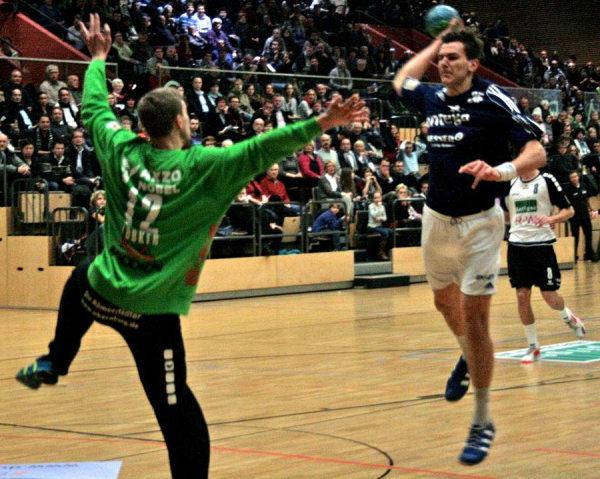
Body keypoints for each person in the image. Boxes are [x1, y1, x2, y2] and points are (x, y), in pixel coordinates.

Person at [14, 14, 368, 479]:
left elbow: (95, 108)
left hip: (101, 291)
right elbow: (265, 146)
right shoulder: (208, 166)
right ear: (181, 120)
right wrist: (323, 120)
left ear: (142, 125)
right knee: (178, 412)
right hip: (152, 313)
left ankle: (56, 359)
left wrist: (98, 58)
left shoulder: (119, 149)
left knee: (80, 277)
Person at [392, 23, 546, 465]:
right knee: (444, 304)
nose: (444, 64)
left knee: (476, 316)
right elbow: (401, 80)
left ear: (474, 64)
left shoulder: (492, 99)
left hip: (482, 223)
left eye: (453, 57)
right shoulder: (431, 97)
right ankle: (467, 356)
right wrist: (435, 44)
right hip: (437, 219)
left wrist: (500, 171)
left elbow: (536, 152)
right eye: (442, 58)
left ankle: (482, 420)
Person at [504, 168, 585, 365]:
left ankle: (568, 316)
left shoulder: (546, 180)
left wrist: (551, 219)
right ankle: (533, 346)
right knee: (522, 295)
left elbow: (569, 210)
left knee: (549, 296)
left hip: (541, 246)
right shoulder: (510, 183)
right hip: (517, 246)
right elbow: (506, 215)